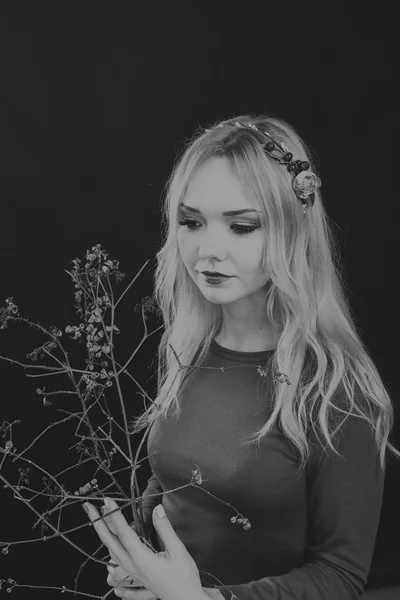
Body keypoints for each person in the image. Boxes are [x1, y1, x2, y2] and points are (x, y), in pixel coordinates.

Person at [109, 115, 400, 599]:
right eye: (191, 222)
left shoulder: (333, 391)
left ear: (292, 232)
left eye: (242, 226)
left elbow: (341, 576)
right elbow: (176, 490)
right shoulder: (185, 352)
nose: (209, 250)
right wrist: (142, 559)